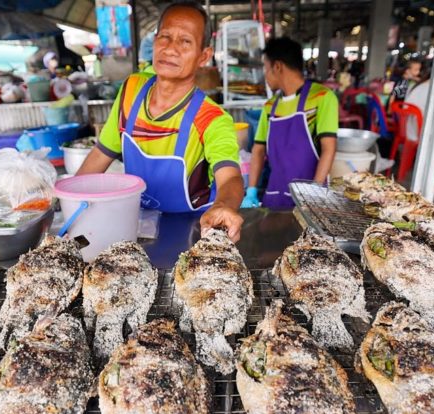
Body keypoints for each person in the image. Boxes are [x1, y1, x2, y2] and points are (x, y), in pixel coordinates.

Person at [77, 1, 244, 241]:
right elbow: (100, 154)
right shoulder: (131, 90)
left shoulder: (212, 118)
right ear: (154, 41)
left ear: (203, 56)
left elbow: (230, 177)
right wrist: (67, 198)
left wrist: (224, 206)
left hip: (193, 233)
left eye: (185, 41)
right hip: (134, 227)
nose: (170, 49)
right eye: (164, 36)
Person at [242, 37, 339, 209]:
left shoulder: (322, 97)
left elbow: (328, 148)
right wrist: (251, 190)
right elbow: (258, 150)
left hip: (310, 198)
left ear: (277, 66)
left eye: (266, 68)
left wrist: (314, 194)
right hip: (275, 195)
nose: (265, 75)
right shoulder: (270, 107)